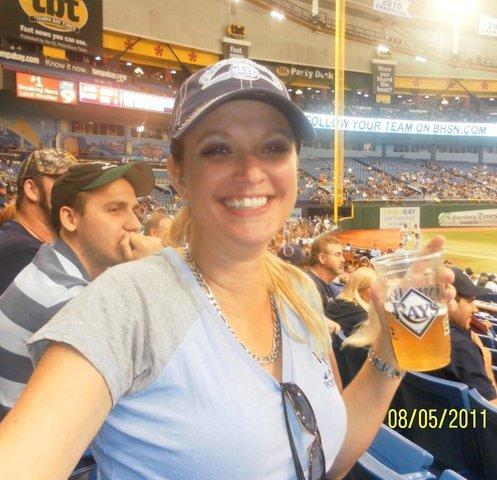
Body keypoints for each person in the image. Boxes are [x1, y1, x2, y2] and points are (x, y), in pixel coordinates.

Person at [0, 58, 454, 480]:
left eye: (274, 147)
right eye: (218, 149)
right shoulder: (127, 302)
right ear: (178, 173)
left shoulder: (298, 288)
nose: (251, 170)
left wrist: (390, 354)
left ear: (296, 164)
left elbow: (326, 457)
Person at [0, 160, 159, 420]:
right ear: (70, 219)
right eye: (115, 209)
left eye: (134, 210)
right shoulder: (68, 299)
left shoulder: (51, 262)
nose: (134, 224)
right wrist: (157, 271)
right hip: (54, 454)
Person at [0, 148, 78, 295]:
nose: (74, 190)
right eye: (63, 181)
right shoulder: (17, 252)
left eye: (76, 183)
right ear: (32, 189)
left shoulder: (33, 244)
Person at [429, 268, 497, 405]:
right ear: (450, 301)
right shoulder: (461, 346)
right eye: (470, 301)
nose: (475, 309)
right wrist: (487, 364)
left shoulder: (417, 335)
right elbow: (492, 408)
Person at [325, 267, 377, 336]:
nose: (378, 292)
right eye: (374, 288)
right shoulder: (362, 316)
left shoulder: (335, 303)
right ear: (360, 289)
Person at [307, 233, 346, 303]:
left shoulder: (326, 285)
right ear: (322, 258)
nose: (343, 259)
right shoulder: (308, 287)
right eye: (337, 255)